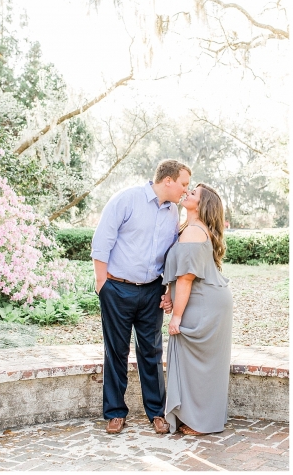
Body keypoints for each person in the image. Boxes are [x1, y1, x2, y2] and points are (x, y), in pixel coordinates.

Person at [91, 159, 191, 435]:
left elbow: (171, 253)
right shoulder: (127, 199)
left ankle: (156, 413)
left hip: (152, 291)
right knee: (116, 352)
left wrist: (167, 288)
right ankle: (114, 413)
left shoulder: (173, 212)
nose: (186, 189)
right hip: (117, 288)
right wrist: (103, 285)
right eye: (183, 183)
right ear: (168, 180)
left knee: (151, 352)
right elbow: (102, 241)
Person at [163, 184, 233, 435]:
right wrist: (169, 295)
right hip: (205, 299)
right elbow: (180, 272)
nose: (187, 193)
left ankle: (201, 421)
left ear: (202, 205)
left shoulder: (194, 231)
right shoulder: (190, 229)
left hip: (203, 302)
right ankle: (198, 417)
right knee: (198, 363)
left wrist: (176, 316)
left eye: (193, 193)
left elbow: (186, 278)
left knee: (198, 363)